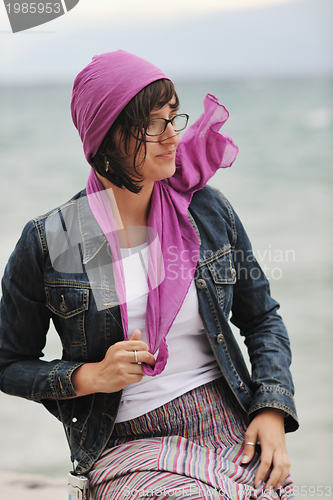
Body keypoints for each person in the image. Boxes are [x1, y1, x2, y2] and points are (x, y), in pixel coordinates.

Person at [0, 50, 298, 499]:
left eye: (173, 118)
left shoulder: (206, 211)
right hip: (124, 441)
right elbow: (8, 362)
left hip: (226, 421)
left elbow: (263, 319)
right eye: (152, 125)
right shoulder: (61, 237)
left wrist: (272, 411)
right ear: (109, 136)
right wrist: (91, 377)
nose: (172, 137)